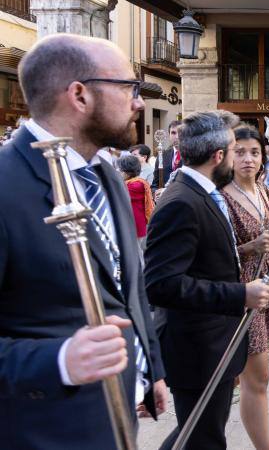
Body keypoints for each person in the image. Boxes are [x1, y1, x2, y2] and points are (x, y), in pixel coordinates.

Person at [0, 34, 167, 448]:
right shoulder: (5, 185)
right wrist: (59, 361)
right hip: (43, 431)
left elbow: (128, 287)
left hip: (116, 420)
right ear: (79, 94)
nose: (139, 102)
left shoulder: (107, 173)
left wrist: (150, 370)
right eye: (129, 87)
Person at [145, 111, 269, 450]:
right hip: (195, 345)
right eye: (235, 151)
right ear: (219, 156)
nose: (239, 159)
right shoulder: (181, 202)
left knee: (196, 432)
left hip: (213, 341)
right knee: (204, 439)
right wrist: (239, 294)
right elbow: (161, 284)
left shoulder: (201, 191)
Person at [221, 126, 269, 450]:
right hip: (241, 293)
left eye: (254, 152)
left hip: (264, 289)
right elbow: (218, 250)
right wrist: (251, 246)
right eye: (239, 152)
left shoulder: (264, 190)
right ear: (228, 155)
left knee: (247, 376)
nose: (247, 159)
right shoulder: (222, 195)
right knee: (258, 377)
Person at [118, 154, 155, 249]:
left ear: (127, 171)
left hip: (134, 227)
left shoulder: (135, 185)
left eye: (120, 169)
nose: (118, 171)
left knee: (135, 256)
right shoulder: (135, 182)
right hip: (134, 225)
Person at [159, 119, 182, 185]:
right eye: (173, 133)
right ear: (169, 135)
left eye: (180, 133)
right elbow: (155, 183)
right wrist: (156, 192)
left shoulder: (193, 155)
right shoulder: (162, 156)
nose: (177, 137)